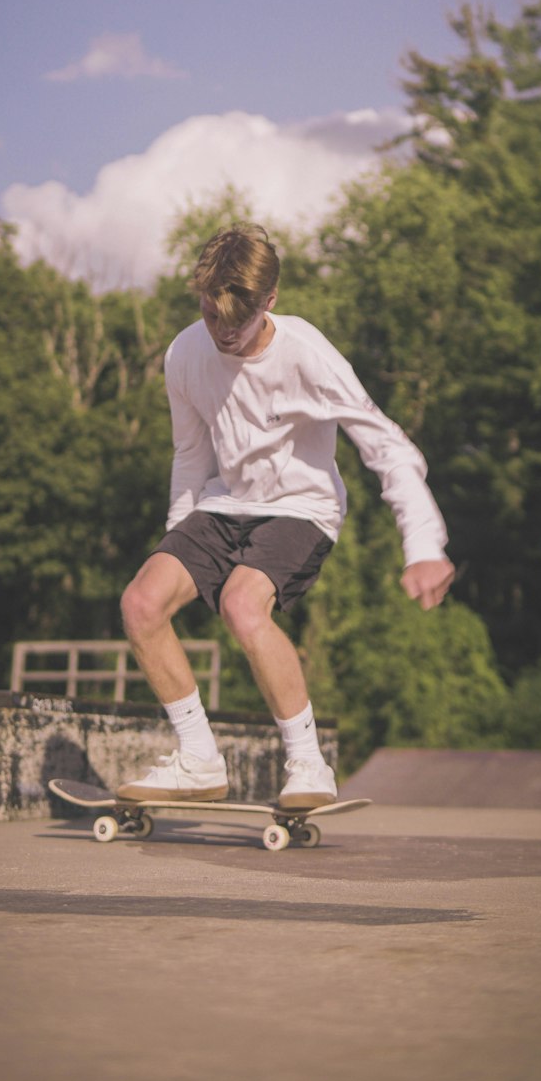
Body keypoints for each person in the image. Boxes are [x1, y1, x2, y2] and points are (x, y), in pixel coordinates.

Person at [118, 223, 454, 809]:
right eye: (209, 314)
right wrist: (177, 541)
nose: (221, 332)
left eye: (236, 321)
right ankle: (198, 760)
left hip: (302, 506)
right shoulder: (184, 353)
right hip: (225, 503)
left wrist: (423, 544)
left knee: (242, 606)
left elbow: (387, 446)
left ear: (270, 301)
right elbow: (191, 453)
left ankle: (308, 764)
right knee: (141, 603)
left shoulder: (309, 356)